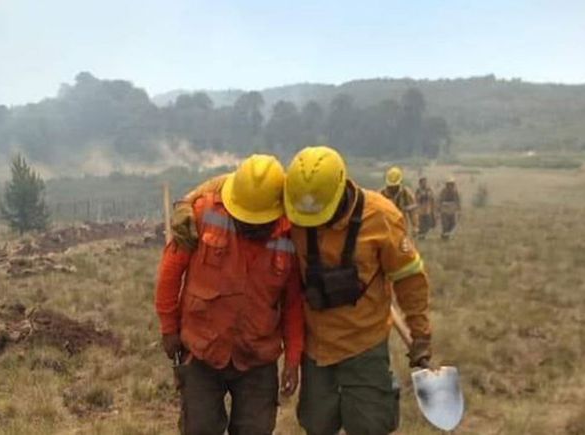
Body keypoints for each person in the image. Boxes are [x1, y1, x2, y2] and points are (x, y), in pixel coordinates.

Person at [172, 147, 433, 435]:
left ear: (340, 192)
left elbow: (409, 278)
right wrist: (186, 202)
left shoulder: (382, 218)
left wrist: (420, 333)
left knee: (370, 425)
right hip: (316, 348)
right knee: (317, 424)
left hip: (364, 344)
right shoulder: (297, 197)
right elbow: (243, 182)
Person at [155, 154, 304, 435]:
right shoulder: (202, 213)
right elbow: (169, 273)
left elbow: (294, 304)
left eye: (259, 222)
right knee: (199, 428)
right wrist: (168, 327)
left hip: (257, 357)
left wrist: (293, 360)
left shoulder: (290, 236)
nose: (250, 227)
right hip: (201, 351)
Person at [380, 166, 418, 236]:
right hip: (386, 229)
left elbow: (412, 212)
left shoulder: (405, 193)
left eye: (395, 186)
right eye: (390, 186)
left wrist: (415, 226)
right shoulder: (380, 195)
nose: (392, 188)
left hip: (402, 228)